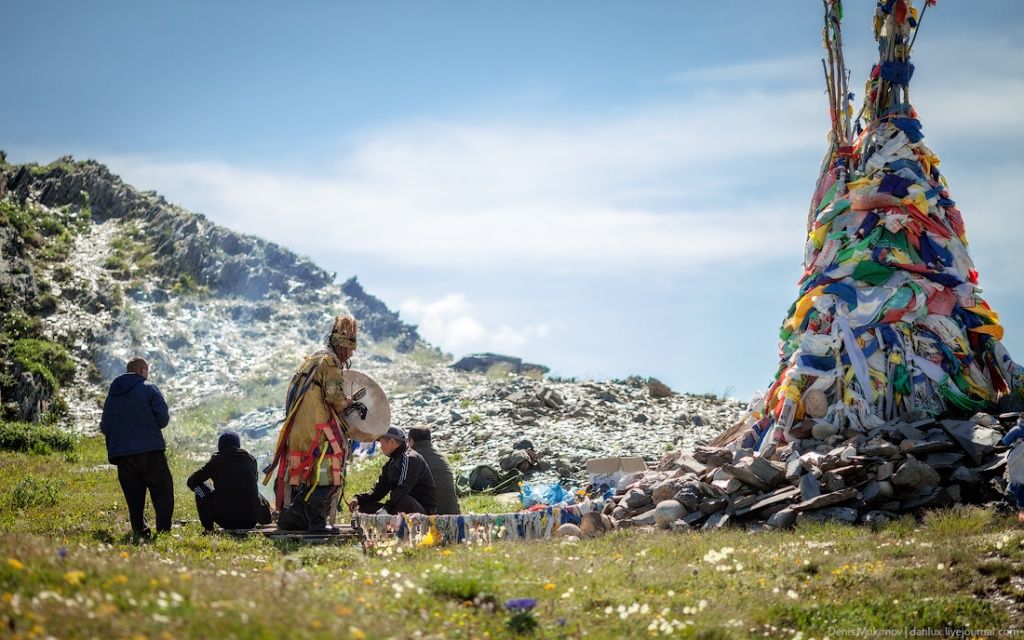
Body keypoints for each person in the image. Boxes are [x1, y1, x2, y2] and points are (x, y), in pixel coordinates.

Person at [267, 316, 357, 532]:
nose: (351, 355)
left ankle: (291, 518)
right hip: (318, 431)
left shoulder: (313, 358)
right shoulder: (330, 361)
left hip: (298, 430)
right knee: (328, 472)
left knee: (302, 475)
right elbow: (334, 397)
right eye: (350, 349)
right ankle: (316, 523)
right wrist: (348, 402)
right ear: (342, 346)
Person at [99, 357, 174, 540]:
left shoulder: (112, 395)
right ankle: (163, 531)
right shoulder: (149, 388)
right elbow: (163, 418)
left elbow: (104, 426)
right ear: (142, 370)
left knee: (134, 497)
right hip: (150, 451)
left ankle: (140, 532)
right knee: (162, 491)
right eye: (147, 371)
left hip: (123, 456)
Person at [187, 431, 272, 531]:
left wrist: (212, 491)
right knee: (252, 490)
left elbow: (191, 481)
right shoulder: (250, 459)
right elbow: (253, 482)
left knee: (198, 489)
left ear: (220, 446)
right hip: (250, 520)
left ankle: (208, 528)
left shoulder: (217, 460)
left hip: (225, 519)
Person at [348, 427, 438, 515]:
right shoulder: (391, 463)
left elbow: (403, 489)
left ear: (391, 441)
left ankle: (389, 518)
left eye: (381, 443)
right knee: (362, 507)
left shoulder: (411, 458)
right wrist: (359, 499)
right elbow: (378, 491)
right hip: (398, 506)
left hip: (422, 511)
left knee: (404, 500)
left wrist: (386, 509)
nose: (381, 447)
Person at [408, 427, 460, 515]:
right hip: (453, 515)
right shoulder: (441, 457)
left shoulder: (411, 458)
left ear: (411, 441)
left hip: (429, 517)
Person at [1003, 415, 1024, 524]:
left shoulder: (1017, 430)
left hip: (1018, 462)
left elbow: (1004, 442)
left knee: (1018, 491)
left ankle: (1020, 519)